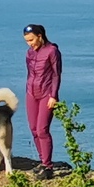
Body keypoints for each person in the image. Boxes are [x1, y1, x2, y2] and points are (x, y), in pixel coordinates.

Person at [22, 24, 63, 173]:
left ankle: (47, 165)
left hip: (46, 94)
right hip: (31, 93)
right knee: (33, 129)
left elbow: (56, 74)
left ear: (40, 36)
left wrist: (54, 95)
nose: (29, 43)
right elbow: (30, 74)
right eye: (27, 41)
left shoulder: (52, 51)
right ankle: (42, 161)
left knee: (42, 130)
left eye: (31, 40)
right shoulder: (29, 53)